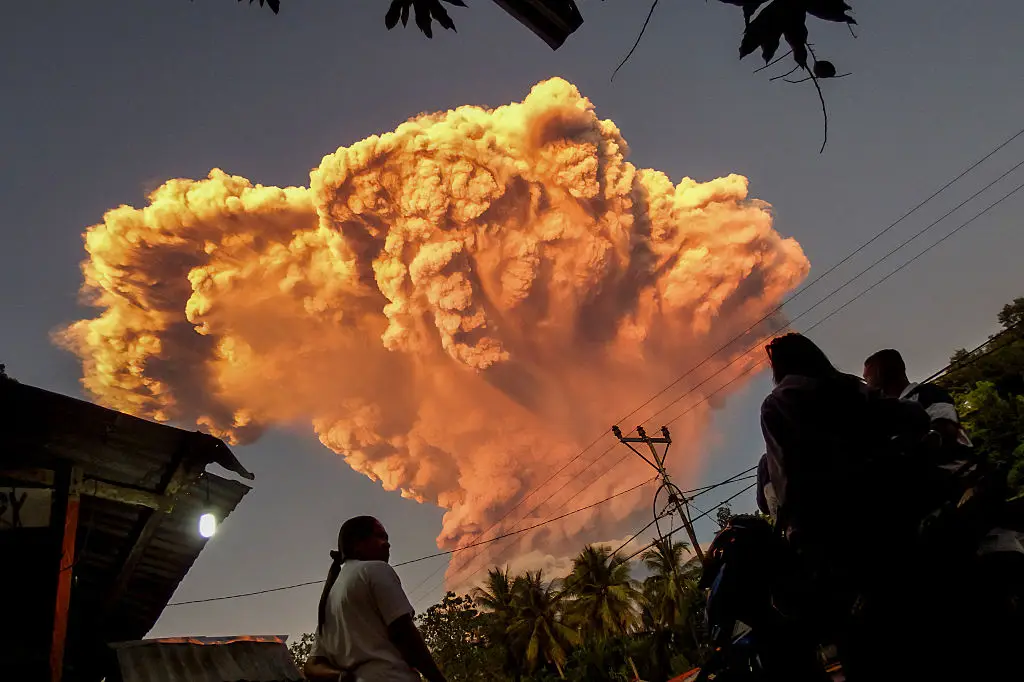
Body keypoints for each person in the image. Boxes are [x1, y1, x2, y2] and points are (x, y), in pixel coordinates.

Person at [303, 516, 447, 682]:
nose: (387, 543)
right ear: (357, 545)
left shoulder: (327, 605)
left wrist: (341, 676)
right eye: (378, 536)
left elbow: (311, 666)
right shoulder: (375, 570)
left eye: (386, 538)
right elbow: (404, 633)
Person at [863, 348, 972, 450]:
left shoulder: (927, 392)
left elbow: (945, 427)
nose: (866, 384)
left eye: (867, 377)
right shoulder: (885, 410)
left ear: (881, 373)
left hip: (956, 468)